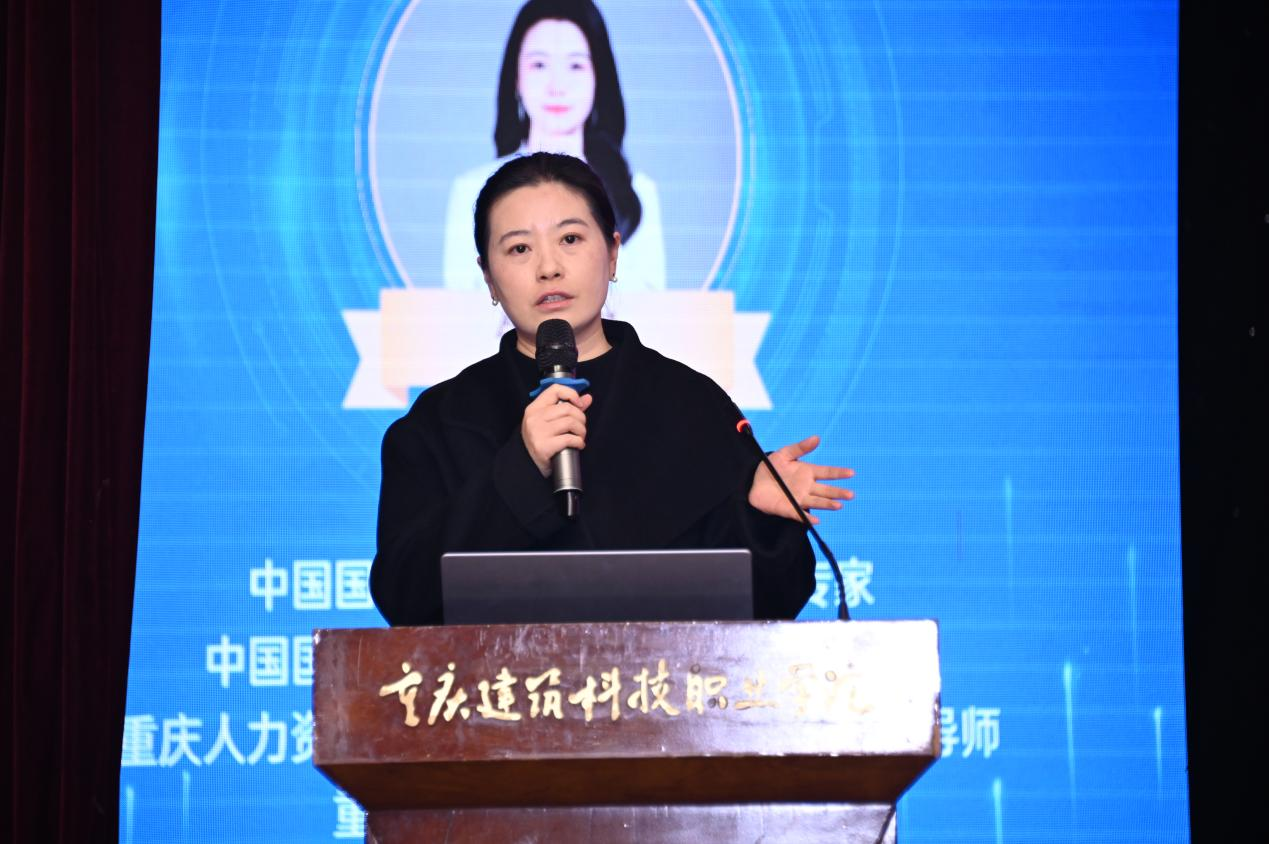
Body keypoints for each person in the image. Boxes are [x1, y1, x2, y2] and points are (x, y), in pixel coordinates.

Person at [372, 152, 852, 626]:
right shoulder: (440, 422)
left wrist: (760, 516)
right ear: (488, 278)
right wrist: (521, 467)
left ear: (613, 253)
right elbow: (403, 597)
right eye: (519, 249)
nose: (548, 267)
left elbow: (772, 604)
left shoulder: (692, 404)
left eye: (570, 239)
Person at [442, 0, 666, 293]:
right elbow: (458, 303)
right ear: (516, 77)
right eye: (539, 65)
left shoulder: (637, 192)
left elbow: (653, 305)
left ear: (598, 77)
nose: (557, 85)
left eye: (575, 65)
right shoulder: (472, 189)